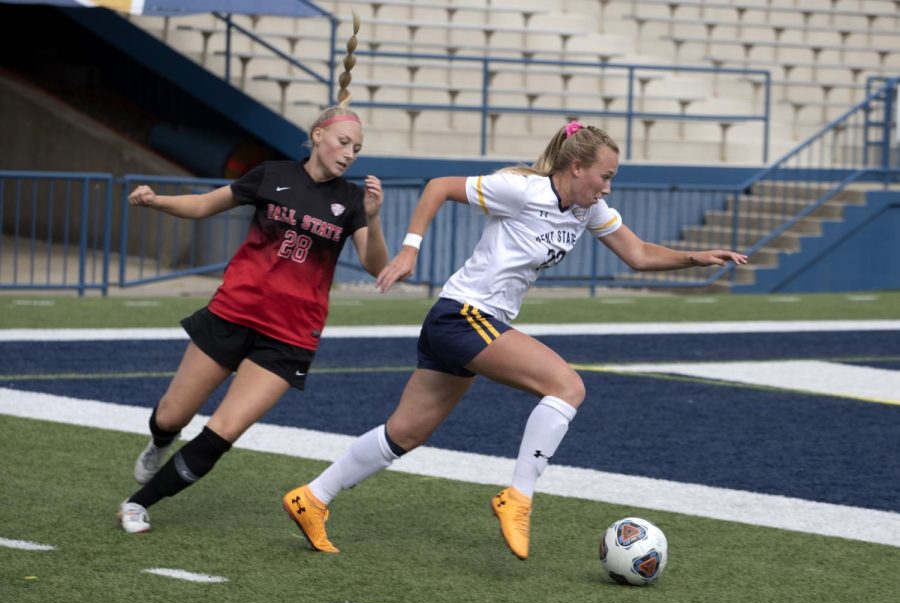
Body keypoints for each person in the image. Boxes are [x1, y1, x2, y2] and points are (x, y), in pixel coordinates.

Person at [281, 120, 748, 559]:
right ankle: (518, 498)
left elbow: (640, 254)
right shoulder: (523, 190)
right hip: (464, 316)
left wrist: (695, 258)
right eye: (604, 176)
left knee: (405, 433)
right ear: (576, 167)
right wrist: (409, 249)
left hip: (460, 322)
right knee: (568, 387)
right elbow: (438, 187)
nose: (608, 187)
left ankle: (312, 497)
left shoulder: (588, 209)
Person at [117, 14, 388, 534]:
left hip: (289, 335)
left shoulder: (354, 201)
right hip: (232, 312)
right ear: (318, 136)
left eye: (358, 148)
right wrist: (155, 202)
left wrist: (373, 221)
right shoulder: (272, 175)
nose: (350, 153)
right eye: (344, 142)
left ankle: (138, 503)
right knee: (172, 416)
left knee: (223, 432)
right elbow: (203, 206)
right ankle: (158, 442)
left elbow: (376, 266)